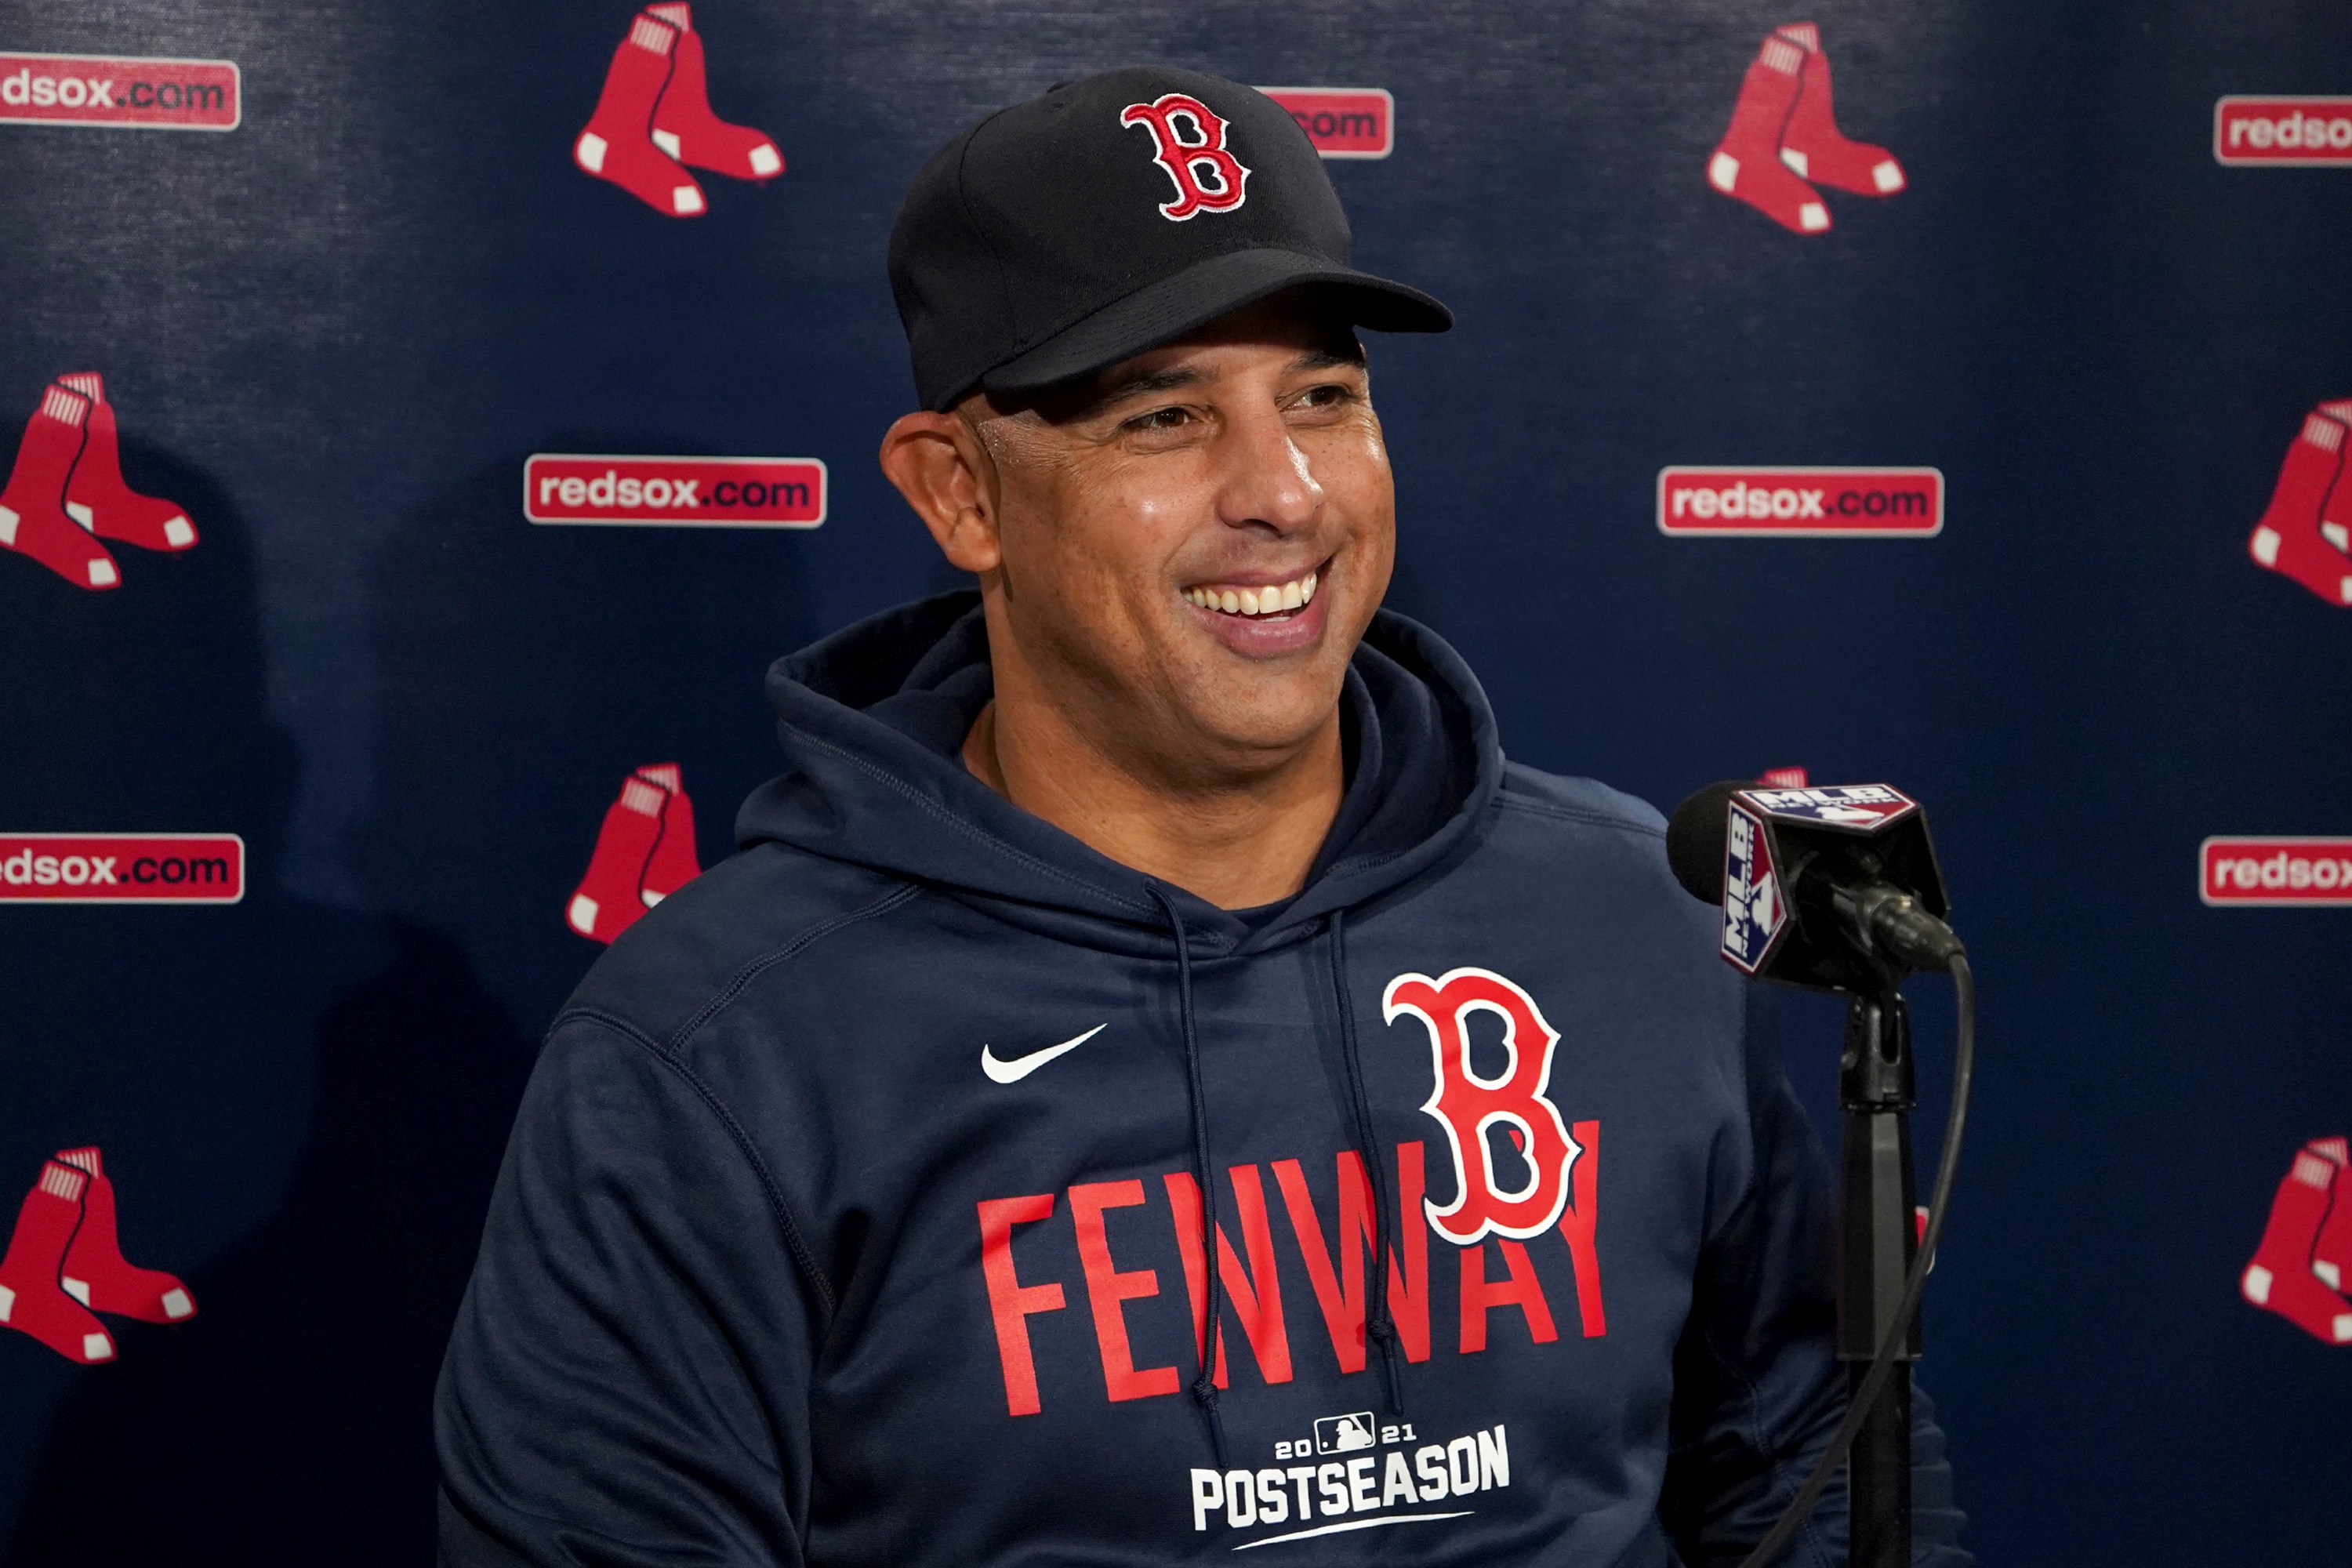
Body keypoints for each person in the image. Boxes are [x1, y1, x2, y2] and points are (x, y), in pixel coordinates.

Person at [436, 65, 1969, 1566]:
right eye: (1165, 419)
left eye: (1322, 396)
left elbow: (1821, 1473)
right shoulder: (717, 1054)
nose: (1286, 490)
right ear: (960, 493)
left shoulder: (1633, 912)